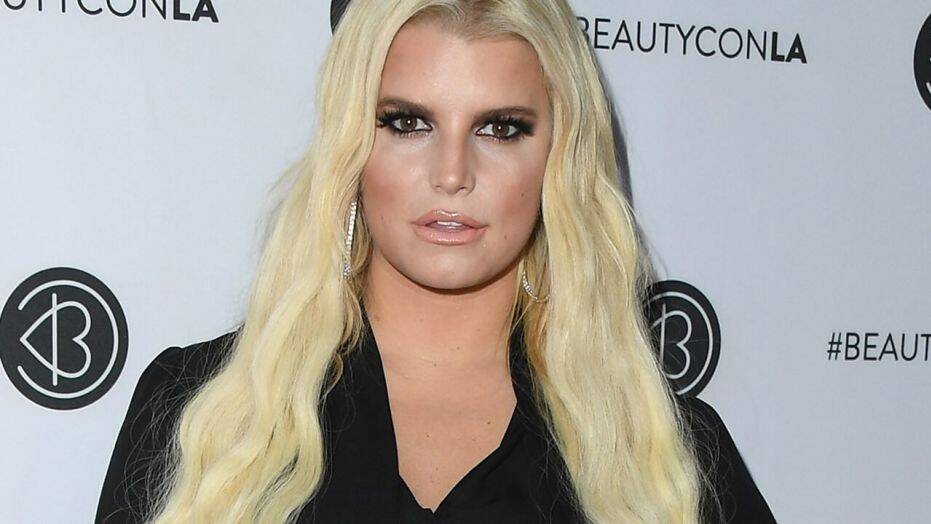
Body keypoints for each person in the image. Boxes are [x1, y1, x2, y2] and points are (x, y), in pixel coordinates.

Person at [96, 0, 777, 522]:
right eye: (407, 122)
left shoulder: (666, 458)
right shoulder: (205, 412)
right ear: (349, 146)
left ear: (559, 159)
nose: (452, 173)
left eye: (500, 128)